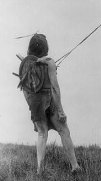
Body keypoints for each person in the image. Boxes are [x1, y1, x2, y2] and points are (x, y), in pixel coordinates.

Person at [22, 33, 80, 174]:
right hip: (50, 104)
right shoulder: (49, 62)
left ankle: (39, 170)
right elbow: (54, 88)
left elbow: (26, 91)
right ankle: (75, 167)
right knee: (64, 131)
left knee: (42, 134)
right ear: (45, 47)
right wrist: (60, 110)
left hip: (36, 106)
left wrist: (32, 106)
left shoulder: (25, 64)